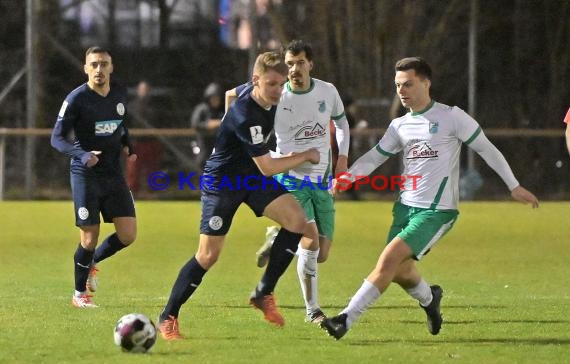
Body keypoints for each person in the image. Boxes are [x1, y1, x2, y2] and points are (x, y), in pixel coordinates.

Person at [320, 57, 539, 340]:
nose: (402, 90)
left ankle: (345, 320)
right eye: (398, 85)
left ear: (426, 82)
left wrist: (514, 186)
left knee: (387, 262)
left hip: (436, 212)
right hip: (405, 208)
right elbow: (375, 156)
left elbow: (487, 149)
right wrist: (347, 177)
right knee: (401, 271)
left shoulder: (451, 117)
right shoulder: (400, 125)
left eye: (408, 84)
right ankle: (429, 298)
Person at [157, 52, 320, 340]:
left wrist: (225, 122)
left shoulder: (251, 92)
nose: (277, 90)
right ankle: (168, 316)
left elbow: (229, 92)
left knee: (297, 221)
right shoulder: (246, 115)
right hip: (223, 183)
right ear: (257, 80)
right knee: (208, 255)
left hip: (250, 177)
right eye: (271, 84)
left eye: (281, 84)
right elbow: (268, 167)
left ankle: (263, 292)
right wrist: (304, 156)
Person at [227, 40, 350, 324]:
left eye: (299, 63)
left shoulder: (327, 91)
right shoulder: (277, 93)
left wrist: (342, 159)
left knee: (322, 254)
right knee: (310, 242)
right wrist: (232, 131)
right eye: (289, 63)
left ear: (311, 64)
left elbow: (342, 124)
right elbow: (231, 95)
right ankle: (313, 311)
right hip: (291, 179)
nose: (294, 69)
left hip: (322, 181)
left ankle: (279, 237)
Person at [51, 46, 138, 308]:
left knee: (128, 234)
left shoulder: (120, 93)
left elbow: (120, 124)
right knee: (89, 237)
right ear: (85, 68)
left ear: (111, 67)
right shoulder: (76, 99)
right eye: (94, 65)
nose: (99, 69)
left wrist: (127, 144)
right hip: (86, 174)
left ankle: (92, 263)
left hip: (113, 173)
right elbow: (56, 138)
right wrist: (82, 154)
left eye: (103, 64)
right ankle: (79, 295)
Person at [125, 80, 163, 194]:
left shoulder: (155, 107)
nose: (144, 92)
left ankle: (153, 192)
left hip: (151, 142)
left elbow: (160, 123)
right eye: (142, 89)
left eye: (146, 90)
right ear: (138, 91)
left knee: (152, 168)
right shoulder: (131, 106)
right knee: (133, 170)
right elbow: (126, 123)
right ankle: (132, 193)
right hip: (135, 142)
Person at [190, 82, 225, 170]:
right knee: (203, 163)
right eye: (213, 98)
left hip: (219, 144)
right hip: (204, 143)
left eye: (217, 98)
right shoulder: (202, 109)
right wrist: (208, 124)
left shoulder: (222, 110)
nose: (215, 100)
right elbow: (195, 124)